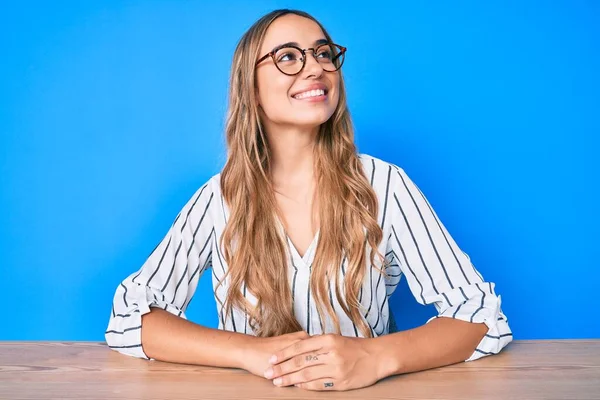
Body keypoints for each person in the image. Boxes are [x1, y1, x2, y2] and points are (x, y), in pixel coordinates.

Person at [105, 8, 512, 392]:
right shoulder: (219, 198)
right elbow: (130, 319)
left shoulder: (384, 185)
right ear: (252, 87)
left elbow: (479, 314)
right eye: (288, 57)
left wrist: (375, 356)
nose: (315, 67)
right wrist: (249, 353)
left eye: (323, 53)